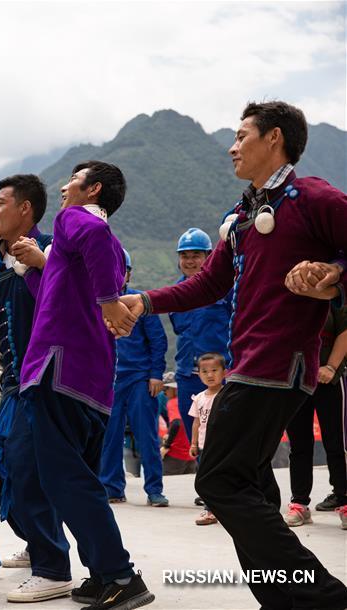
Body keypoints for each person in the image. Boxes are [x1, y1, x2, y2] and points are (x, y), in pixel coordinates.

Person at [115, 101, 347, 608]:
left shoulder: (313, 198)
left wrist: (333, 277)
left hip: (278, 364)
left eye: (243, 135)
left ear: (275, 139)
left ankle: (325, 599)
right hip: (250, 362)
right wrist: (145, 300)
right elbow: (207, 283)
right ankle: (285, 598)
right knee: (252, 487)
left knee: (217, 479)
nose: (232, 145)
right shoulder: (243, 217)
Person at [19, 161, 155, 610]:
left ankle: (120, 573)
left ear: (92, 189)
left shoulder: (77, 219)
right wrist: (41, 265)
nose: (63, 187)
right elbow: (61, 297)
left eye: (73, 179)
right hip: (91, 378)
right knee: (78, 478)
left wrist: (108, 301)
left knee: (64, 480)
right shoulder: (109, 247)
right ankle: (102, 575)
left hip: (59, 369)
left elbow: (93, 281)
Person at [0, 173, 69, 602]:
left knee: (25, 470)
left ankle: (53, 567)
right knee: (3, 471)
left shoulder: (53, 256)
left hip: (45, 384)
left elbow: (67, 308)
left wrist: (38, 267)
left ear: (25, 209)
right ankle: (38, 543)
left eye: (0, 202)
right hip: (12, 387)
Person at [100, 249, 168, 507]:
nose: (118, 274)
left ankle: (154, 490)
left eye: (123, 269)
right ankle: (112, 488)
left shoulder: (139, 302)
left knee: (146, 435)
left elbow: (158, 341)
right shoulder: (99, 303)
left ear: (128, 273)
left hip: (140, 378)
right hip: (110, 381)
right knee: (110, 436)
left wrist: (155, 374)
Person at [283, 305, 347, 526]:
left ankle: (344, 501)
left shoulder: (336, 294)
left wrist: (331, 366)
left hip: (327, 377)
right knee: (299, 445)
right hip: (294, 379)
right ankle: (299, 503)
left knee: (335, 443)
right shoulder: (286, 292)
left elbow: (344, 331)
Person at [168, 228, 232, 442]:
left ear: (209, 256)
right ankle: (204, 475)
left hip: (221, 376)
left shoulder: (224, 288)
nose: (189, 261)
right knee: (195, 436)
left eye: (196, 255)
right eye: (184, 255)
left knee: (226, 435)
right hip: (188, 377)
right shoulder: (174, 293)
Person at [187, 353, 225, 526]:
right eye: (204, 371)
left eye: (214, 370)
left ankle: (218, 509)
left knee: (223, 478)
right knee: (205, 479)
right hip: (204, 446)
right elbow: (196, 422)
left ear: (225, 372)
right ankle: (210, 508)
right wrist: (194, 443)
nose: (210, 375)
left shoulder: (227, 395)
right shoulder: (199, 398)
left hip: (223, 446)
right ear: (199, 374)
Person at [159, 373, 197, 476]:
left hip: (175, 455)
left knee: (169, 486)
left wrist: (166, 446)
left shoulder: (173, 402)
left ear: (174, 389)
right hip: (191, 454)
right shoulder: (190, 400)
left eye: (165, 389)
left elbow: (176, 423)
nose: (164, 393)